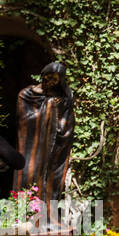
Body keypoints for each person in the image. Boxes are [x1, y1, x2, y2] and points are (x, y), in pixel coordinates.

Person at [16, 62, 75, 195]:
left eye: (55, 79)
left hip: (51, 149)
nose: (51, 82)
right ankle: (22, 210)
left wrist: (55, 107)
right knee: (27, 174)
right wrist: (48, 107)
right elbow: (24, 120)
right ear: (43, 75)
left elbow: (67, 124)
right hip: (30, 147)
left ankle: (45, 211)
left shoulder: (63, 99)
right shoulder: (27, 94)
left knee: (47, 179)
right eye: (49, 77)